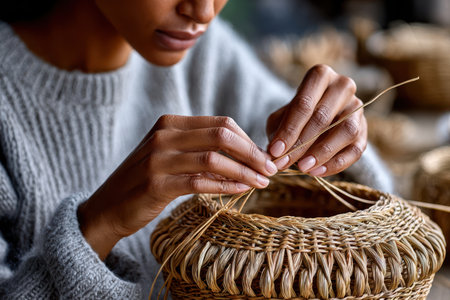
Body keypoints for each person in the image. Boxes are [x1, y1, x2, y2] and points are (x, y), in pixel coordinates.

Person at [0, 0, 392, 298]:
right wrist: (98, 227)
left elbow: (359, 186)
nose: (203, 11)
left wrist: (330, 141)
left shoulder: (201, 51)